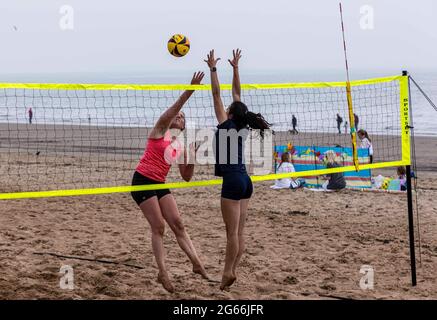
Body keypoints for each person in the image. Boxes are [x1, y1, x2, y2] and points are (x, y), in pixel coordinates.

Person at [130, 71, 208, 293]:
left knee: (179, 224)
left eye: (183, 117)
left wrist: (192, 157)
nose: (179, 117)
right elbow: (175, 107)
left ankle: (197, 263)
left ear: (183, 127)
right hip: (142, 180)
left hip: (159, 182)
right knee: (159, 227)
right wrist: (191, 90)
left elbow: (186, 176)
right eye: (178, 115)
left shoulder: (180, 146)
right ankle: (162, 273)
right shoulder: (160, 130)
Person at [204, 49, 271, 290]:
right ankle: (233, 269)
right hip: (245, 180)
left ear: (231, 113)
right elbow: (237, 94)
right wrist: (235, 69)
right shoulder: (243, 125)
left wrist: (213, 69)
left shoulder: (226, 123)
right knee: (239, 233)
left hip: (232, 181)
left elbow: (216, 94)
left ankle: (227, 272)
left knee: (231, 233)